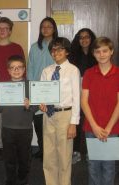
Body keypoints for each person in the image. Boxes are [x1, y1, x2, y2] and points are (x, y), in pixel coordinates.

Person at [39, 37, 80, 185]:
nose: (56, 52)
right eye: (53, 49)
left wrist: (73, 123)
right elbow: (42, 93)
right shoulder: (46, 71)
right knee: (49, 155)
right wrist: (41, 103)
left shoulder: (73, 70)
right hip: (48, 115)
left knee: (64, 156)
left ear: (67, 51)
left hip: (65, 115)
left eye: (60, 49)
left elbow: (77, 98)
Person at [0, 55, 38, 185]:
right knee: (9, 159)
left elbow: (35, 109)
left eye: (19, 68)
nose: (16, 70)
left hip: (25, 129)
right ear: (8, 70)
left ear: (24, 69)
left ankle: (23, 180)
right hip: (7, 128)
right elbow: (0, 109)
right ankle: (10, 181)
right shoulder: (3, 86)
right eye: (13, 68)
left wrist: (30, 106)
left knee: (24, 158)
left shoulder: (30, 86)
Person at [0, 17, 25, 161]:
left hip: (14, 90)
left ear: (10, 31)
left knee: (12, 121)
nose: (2, 31)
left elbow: (22, 71)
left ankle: (13, 149)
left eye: (5, 28)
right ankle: (1, 149)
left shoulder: (17, 48)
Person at [81, 37, 119, 185]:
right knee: (93, 165)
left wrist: (108, 128)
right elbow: (84, 101)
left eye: (105, 51)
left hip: (113, 128)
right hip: (91, 127)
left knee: (109, 167)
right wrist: (95, 127)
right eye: (98, 51)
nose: (101, 54)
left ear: (111, 52)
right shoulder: (89, 73)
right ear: (93, 54)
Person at [27, 17, 58, 160]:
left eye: (49, 27)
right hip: (38, 90)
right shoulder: (34, 47)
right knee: (39, 122)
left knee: (53, 120)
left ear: (54, 29)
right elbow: (31, 69)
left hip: (54, 89)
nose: (45, 29)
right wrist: (32, 89)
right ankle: (42, 148)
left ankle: (52, 150)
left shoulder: (58, 47)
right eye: (43, 27)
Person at [69, 28, 97, 164]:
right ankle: (76, 151)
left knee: (92, 122)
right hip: (77, 94)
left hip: (94, 95)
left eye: (87, 37)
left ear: (91, 39)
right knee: (77, 123)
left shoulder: (97, 55)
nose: (84, 40)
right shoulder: (73, 56)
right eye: (81, 37)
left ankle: (90, 151)